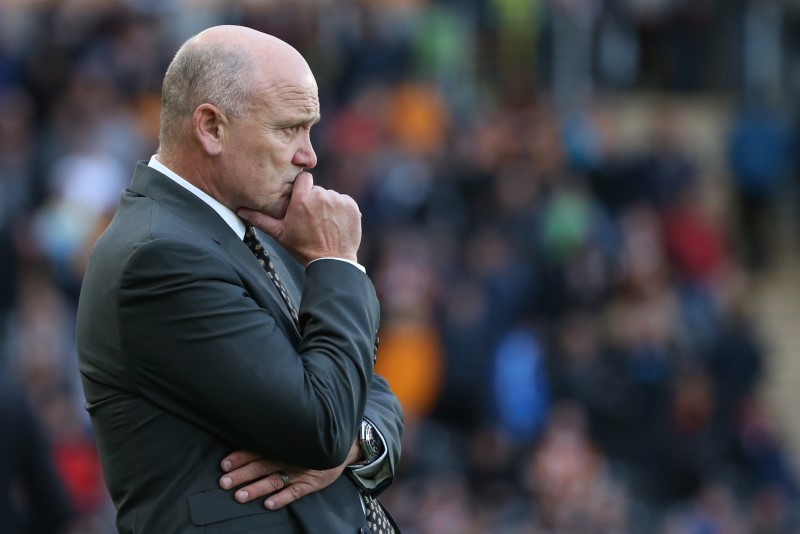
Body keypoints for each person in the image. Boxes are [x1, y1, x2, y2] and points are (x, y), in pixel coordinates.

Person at [76, 25, 403, 533]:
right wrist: (337, 262)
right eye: (289, 128)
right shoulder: (160, 256)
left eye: (310, 129)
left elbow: (366, 390)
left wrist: (353, 439)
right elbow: (322, 425)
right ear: (211, 127)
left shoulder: (250, 231)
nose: (309, 156)